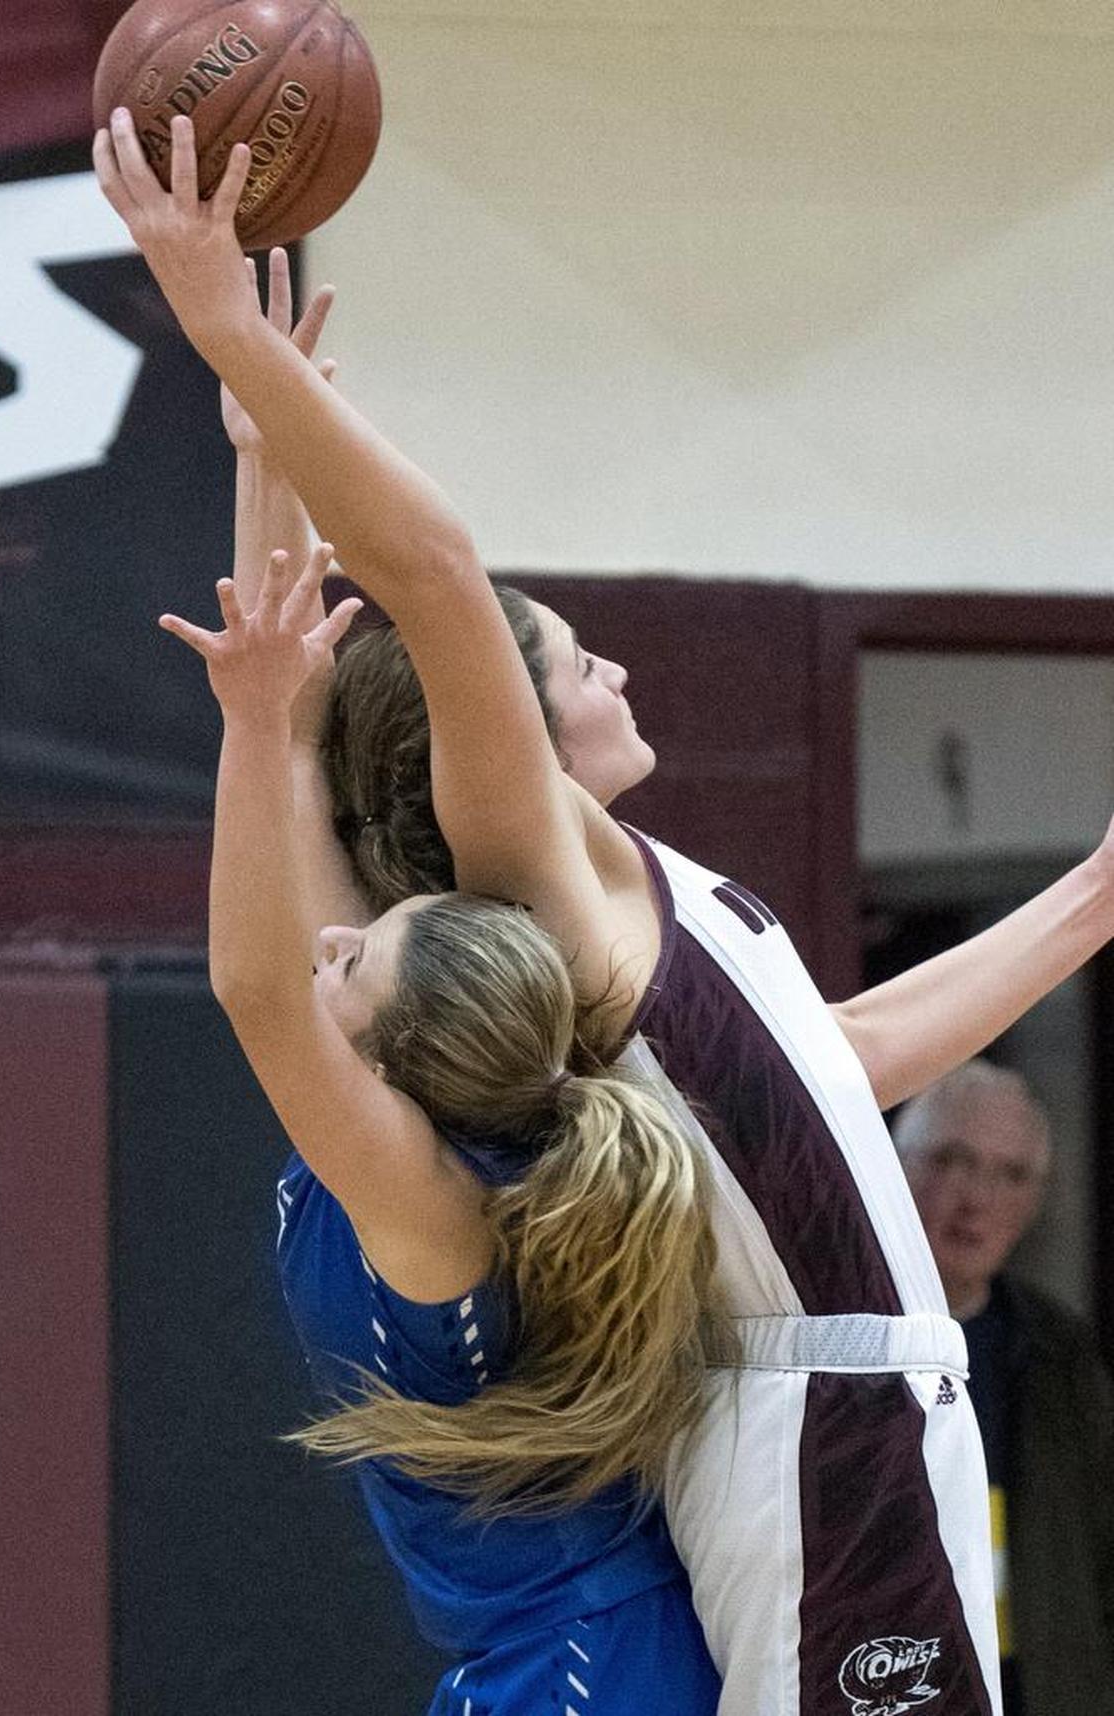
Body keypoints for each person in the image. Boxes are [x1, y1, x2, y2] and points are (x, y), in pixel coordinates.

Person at [94, 110, 1114, 1715]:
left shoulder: (626, 911)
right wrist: (227, 332)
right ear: (496, 731)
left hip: (832, 1424)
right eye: (569, 660)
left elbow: (834, 1058)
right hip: (829, 1430)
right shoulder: (529, 867)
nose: (612, 668)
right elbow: (425, 579)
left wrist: (1090, 900)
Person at [158, 540, 723, 1712]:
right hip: (576, 1648)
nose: (332, 936)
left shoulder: (421, 1190)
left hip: (583, 1659)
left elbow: (256, 986)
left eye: (357, 949)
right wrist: (263, 453)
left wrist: (253, 726)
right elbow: (306, 721)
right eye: (357, 940)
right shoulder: (421, 1133)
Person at [893, 1060, 1114, 1716]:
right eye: (953, 1160)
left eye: (1012, 1174)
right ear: (896, 1167)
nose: (978, 1199)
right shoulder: (836, 1340)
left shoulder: (1058, 1349)